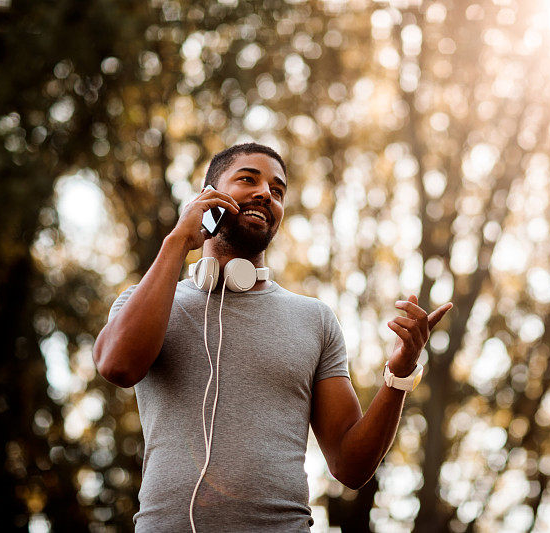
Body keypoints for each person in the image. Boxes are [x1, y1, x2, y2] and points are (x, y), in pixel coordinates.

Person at [93, 142, 453, 532]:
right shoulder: (145, 302)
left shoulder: (314, 319)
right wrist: (179, 239)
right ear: (206, 196)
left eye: (278, 191)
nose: (265, 193)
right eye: (248, 179)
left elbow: (351, 466)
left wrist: (399, 373)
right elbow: (118, 365)